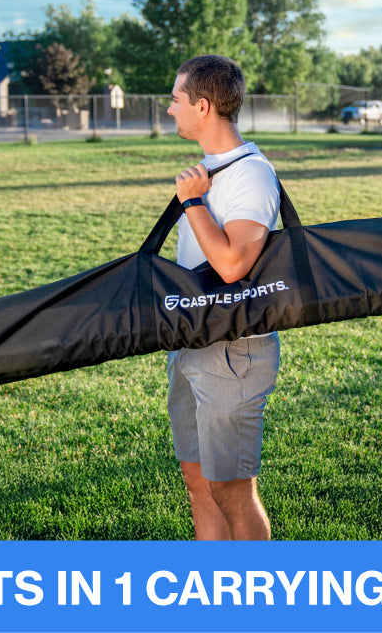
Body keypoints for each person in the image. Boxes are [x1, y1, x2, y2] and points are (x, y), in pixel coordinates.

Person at [166, 54, 281, 541]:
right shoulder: (212, 167)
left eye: (176, 99)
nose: (171, 109)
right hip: (192, 338)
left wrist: (192, 203)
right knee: (197, 480)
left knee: (231, 489)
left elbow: (234, 265)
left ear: (204, 105)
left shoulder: (250, 175)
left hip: (233, 351)